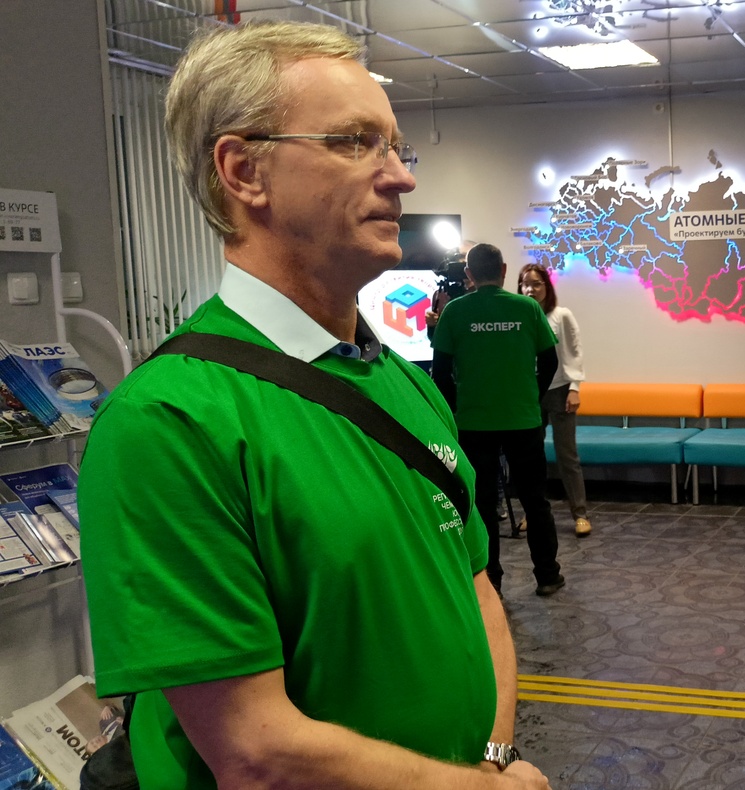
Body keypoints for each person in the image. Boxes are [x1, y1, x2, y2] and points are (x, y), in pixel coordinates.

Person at [78, 21, 548, 790]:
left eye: (396, 148)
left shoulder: (399, 380)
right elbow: (256, 753)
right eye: (356, 142)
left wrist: (492, 760)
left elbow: (476, 591)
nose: (399, 178)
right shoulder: (169, 422)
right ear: (244, 172)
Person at [433, 243, 566, 596]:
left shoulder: (455, 311)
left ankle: (491, 580)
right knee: (535, 500)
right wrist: (532, 397)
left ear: (469, 274)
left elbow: (441, 372)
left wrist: (457, 408)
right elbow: (550, 361)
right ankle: (547, 575)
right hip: (523, 420)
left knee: (483, 504)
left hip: (474, 424)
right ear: (504, 270)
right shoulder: (527, 308)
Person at [518, 263, 592, 538]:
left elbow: (574, 352)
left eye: (536, 284)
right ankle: (532, 512)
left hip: (560, 390)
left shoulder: (561, 316)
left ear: (547, 287)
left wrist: (575, 387)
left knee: (567, 456)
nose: (530, 289)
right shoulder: (519, 316)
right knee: (530, 456)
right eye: (525, 284)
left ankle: (580, 514)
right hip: (530, 393)